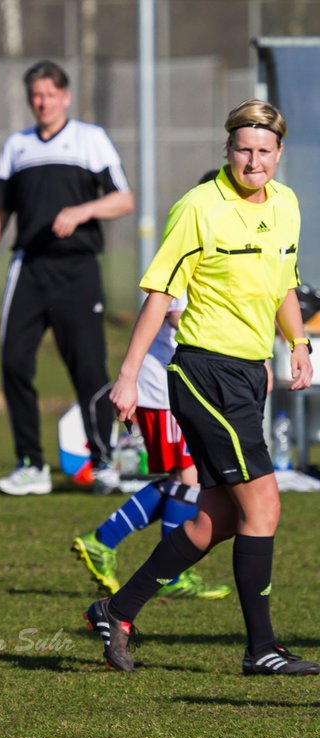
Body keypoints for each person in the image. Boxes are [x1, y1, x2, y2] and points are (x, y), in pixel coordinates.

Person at [85, 99, 317, 676]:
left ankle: (117, 610)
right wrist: (129, 374)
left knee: (220, 517)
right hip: (204, 372)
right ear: (228, 149)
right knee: (264, 503)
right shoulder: (197, 208)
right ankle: (261, 647)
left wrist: (297, 342)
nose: (253, 160)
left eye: (264, 150)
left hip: (249, 372)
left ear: (278, 154)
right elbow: (159, 295)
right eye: (243, 149)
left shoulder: (287, 205)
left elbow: (283, 283)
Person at [0, 60, 134, 497]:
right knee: (14, 362)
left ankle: (104, 462)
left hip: (78, 269)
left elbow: (123, 199)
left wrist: (83, 211)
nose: (43, 102)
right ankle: (30, 465)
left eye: (50, 94)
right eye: (36, 95)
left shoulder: (90, 140)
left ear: (65, 96)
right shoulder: (16, 146)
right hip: (29, 269)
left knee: (88, 367)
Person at [71, 293, 230, 601]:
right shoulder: (183, 253)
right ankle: (172, 572)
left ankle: (103, 540)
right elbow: (175, 316)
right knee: (189, 477)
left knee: (182, 478)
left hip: (177, 385)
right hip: (165, 390)